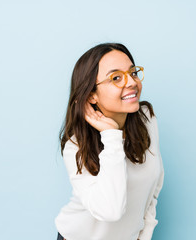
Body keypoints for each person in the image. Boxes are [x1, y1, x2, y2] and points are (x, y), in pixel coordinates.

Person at [55, 43, 164, 240]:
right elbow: (110, 211)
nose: (131, 82)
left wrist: (144, 235)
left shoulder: (146, 119)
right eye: (116, 78)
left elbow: (154, 187)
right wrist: (111, 135)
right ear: (91, 95)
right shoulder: (75, 145)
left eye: (133, 73)